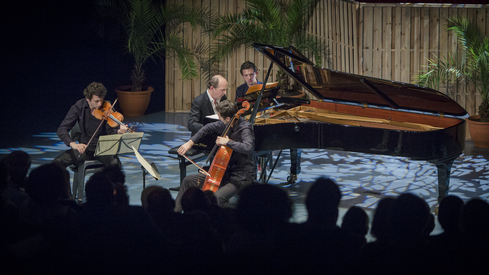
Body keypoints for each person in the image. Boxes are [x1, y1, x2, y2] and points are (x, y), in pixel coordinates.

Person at [176, 100, 255, 212]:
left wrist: (227, 142)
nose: (218, 118)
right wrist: (190, 142)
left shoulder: (245, 128)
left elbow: (248, 148)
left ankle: (238, 216)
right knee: (188, 180)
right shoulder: (225, 124)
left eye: (219, 116)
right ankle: (175, 214)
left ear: (228, 118)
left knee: (217, 199)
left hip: (240, 177)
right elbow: (207, 128)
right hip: (223, 173)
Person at [53, 82, 127, 168]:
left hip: (102, 150)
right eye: (96, 101)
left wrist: (118, 132)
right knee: (57, 163)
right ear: (88, 98)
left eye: (101, 100)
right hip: (84, 149)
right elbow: (62, 129)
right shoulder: (79, 106)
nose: (100, 104)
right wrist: (74, 145)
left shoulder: (107, 108)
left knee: (115, 165)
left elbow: (110, 133)